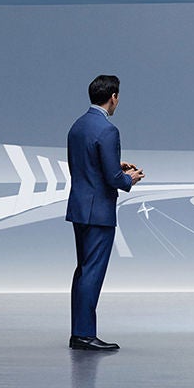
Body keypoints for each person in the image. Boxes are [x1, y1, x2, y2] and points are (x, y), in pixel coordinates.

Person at [66, 75, 144, 351]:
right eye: (118, 96)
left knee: (82, 271)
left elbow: (86, 164)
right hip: (99, 211)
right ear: (113, 97)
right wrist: (129, 178)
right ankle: (85, 335)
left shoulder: (78, 126)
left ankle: (79, 332)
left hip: (79, 208)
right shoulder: (108, 130)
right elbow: (113, 177)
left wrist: (114, 165)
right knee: (93, 273)